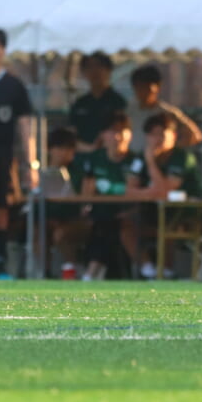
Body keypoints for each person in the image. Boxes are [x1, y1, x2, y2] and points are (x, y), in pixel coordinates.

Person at [125, 111, 202, 278]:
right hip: (154, 211)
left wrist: (151, 163)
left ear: (173, 136)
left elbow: (163, 192)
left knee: (168, 223)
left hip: (188, 215)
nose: (158, 139)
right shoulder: (141, 157)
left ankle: (167, 272)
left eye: (162, 133)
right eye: (153, 134)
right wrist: (149, 192)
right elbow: (129, 190)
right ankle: (148, 269)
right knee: (126, 224)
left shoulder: (182, 157)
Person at [0, 28, 38, 279]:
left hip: (2, 157)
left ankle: (0, 260)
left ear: (3, 50)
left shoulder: (13, 86)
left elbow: (25, 127)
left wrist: (31, 164)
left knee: (1, 208)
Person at [79, 110, 138, 281]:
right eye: (113, 131)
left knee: (110, 224)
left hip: (128, 213)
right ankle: (92, 270)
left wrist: (112, 189)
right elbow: (87, 190)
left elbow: (133, 190)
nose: (117, 137)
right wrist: (85, 207)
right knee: (103, 224)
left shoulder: (136, 160)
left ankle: (91, 272)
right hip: (100, 214)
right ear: (103, 135)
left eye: (122, 131)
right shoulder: (94, 158)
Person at [43, 127, 91, 277]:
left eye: (68, 149)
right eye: (60, 148)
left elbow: (86, 201)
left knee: (61, 233)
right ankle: (44, 273)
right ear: (50, 149)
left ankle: (71, 272)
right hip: (47, 217)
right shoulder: (39, 171)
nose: (64, 153)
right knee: (38, 232)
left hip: (75, 219)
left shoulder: (80, 171)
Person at [127, 64, 202, 153]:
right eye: (139, 87)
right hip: (135, 160)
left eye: (146, 87)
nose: (143, 91)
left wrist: (168, 147)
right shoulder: (128, 112)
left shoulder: (168, 113)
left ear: (158, 87)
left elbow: (195, 136)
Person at [68, 52, 128, 154]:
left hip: (111, 156)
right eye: (89, 66)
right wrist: (90, 148)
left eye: (99, 65)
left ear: (109, 70)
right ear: (83, 71)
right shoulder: (80, 104)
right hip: (82, 157)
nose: (94, 71)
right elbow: (71, 135)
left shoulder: (118, 102)